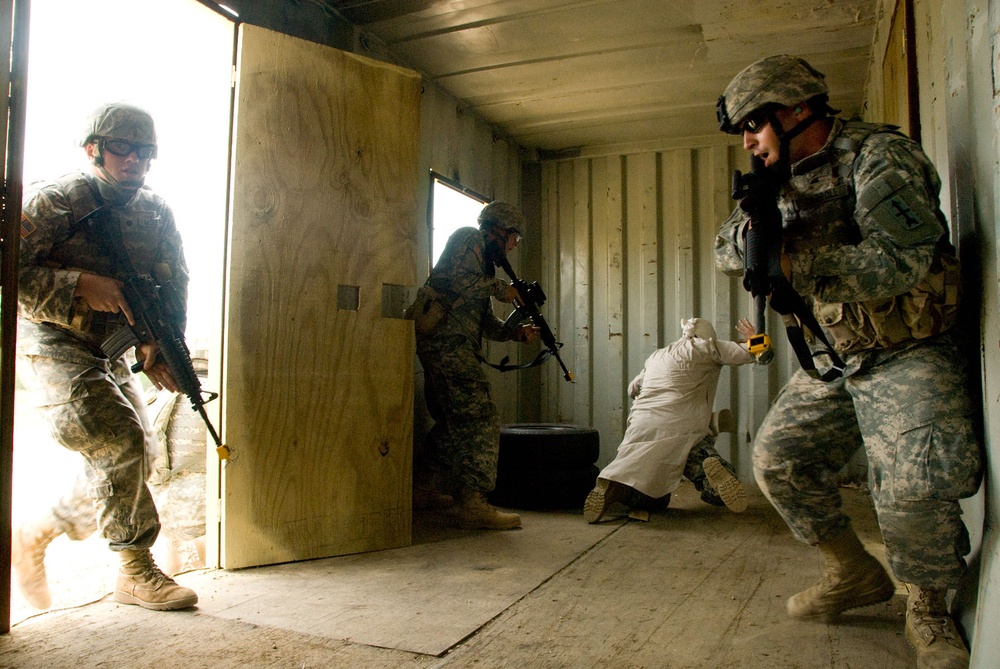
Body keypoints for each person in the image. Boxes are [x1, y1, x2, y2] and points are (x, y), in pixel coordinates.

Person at [715, 55, 982, 669]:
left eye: (754, 124)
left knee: (914, 480)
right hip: (842, 356)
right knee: (777, 459)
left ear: (795, 109)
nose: (750, 142)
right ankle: (853, 572)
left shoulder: (877, 158)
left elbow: (907, 258)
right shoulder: (776, 178)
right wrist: (758, 237)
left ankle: (929, 609)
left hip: (908, 349)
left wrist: (798, 264)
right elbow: (727, 247)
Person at [14, 102, 199, 611]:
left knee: (142, 451)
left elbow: (172, 285)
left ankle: (40, 532)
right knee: (117, 437)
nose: (135, 159)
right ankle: (135, 569)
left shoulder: (155, 211)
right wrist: (78, 286)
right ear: (93, 148)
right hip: (51, 341)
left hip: (112, 344)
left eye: (145, 151)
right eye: (122, 147)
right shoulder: (54, 202)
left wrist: (160, 342)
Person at [414, 201, 540, 530]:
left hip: (451, 347)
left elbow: (485, 321)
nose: (514, 245)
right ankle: (472, 502)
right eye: (514, 237)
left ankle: (420, 488)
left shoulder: (484, 268)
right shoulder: (468, 237)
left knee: (450, 421)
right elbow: (458, 281)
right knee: (481, 414)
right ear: (499, 230)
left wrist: (514, 332)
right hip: (446, 346)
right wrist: (503, 289)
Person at [583, 317, 756, 523]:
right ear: (708, 336)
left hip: (641, 426)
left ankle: (613, 487)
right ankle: (713, 478)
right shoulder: (706, 348)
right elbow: (752, 352)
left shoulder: (658, 356)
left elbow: (633, 389)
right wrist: (755, 338)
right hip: (683, 428)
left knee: (642, 486)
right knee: (694, 460)